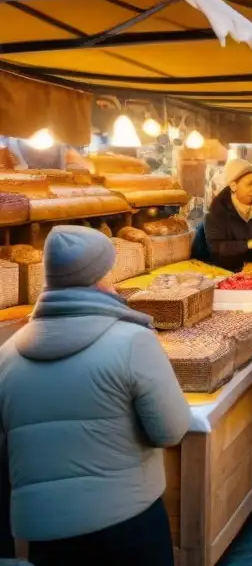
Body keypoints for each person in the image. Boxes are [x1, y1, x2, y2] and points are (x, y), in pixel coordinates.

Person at [0, 226, 190, 565]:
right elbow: (171, 430)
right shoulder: (133, 341)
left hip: (45, 534)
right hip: (128, 523)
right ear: (98, 276)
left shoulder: (7, 355)